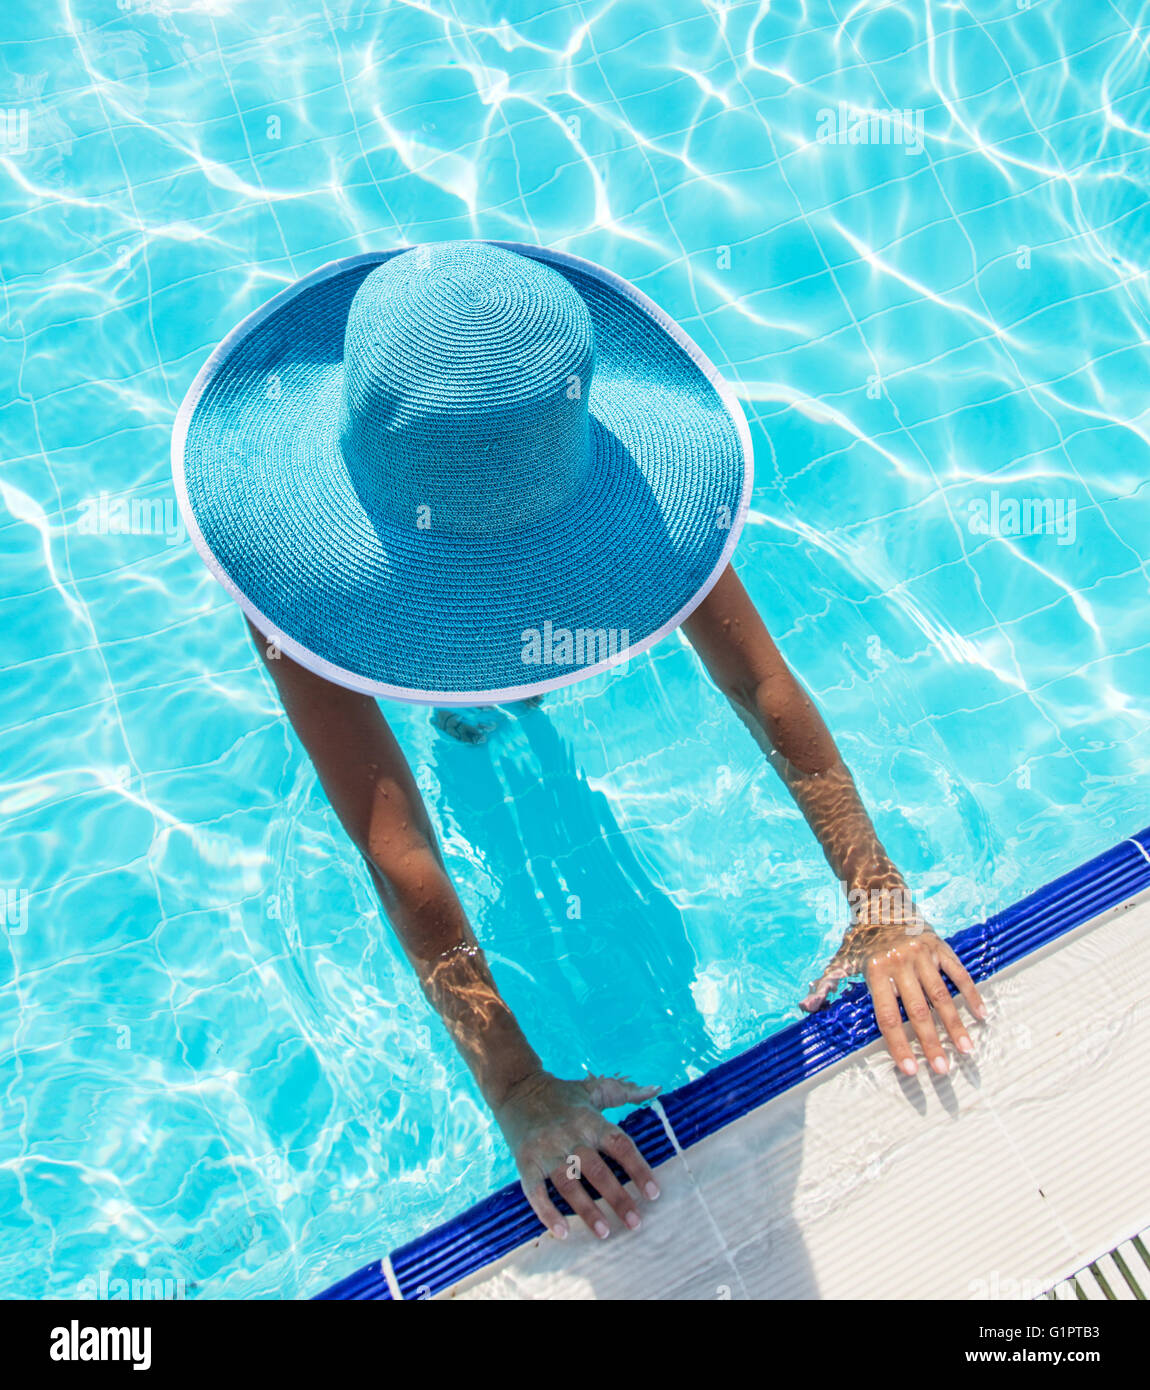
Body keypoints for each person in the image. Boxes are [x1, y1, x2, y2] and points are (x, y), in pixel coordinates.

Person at [175, 239, 986, 1245]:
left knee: (472, 691)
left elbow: (402, 859)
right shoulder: (636, 514)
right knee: (514, 664)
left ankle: (476, 701)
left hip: (414, 564)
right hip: (548, 552)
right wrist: (879, 896)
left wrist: (518, 1085)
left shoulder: (303, 585)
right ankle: (496, 690)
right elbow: (758, 683)